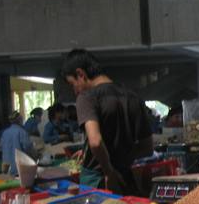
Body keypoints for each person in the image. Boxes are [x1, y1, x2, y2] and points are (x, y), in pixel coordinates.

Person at [61, 49, 153, 194]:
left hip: (99, 182)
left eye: (73, 84)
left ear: (80, 74)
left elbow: (96, 142)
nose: (75, 91)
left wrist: (109, 171)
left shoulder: (87, 97)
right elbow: (147, 148)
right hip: (125, 180)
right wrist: (120, 155)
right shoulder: (133, 97)